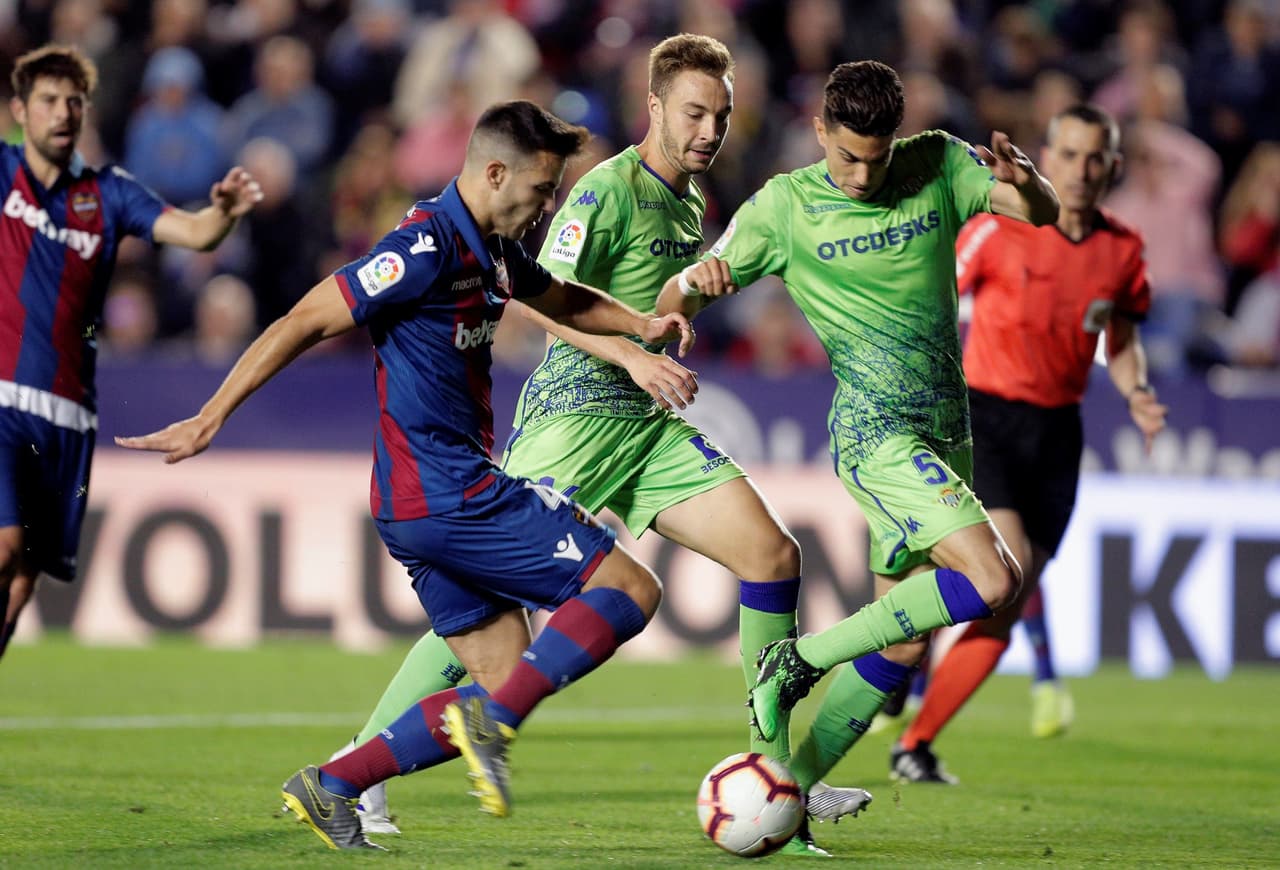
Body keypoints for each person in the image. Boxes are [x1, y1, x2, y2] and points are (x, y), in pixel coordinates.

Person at [327, 34, 871, 857]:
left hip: (645, 429)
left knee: (772, 556)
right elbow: (533, 297)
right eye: (693, 112)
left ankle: (774, 770)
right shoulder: (603, 191)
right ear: (652, 106)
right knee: (482, 613)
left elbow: (659, 297)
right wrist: (629, 353)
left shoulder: (693, 202)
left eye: (720, 116)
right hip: (572, 421)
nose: (708, 130)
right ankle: (357, 770)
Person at [118, 100, 695, 852]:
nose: (547, 206)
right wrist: (210, 415)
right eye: (541, 190)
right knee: (630, 589)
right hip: (451, 490)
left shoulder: (492, 247)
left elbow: (565, 299)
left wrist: (641, 325)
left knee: (497, 674)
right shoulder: (421, 247)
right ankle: (500, 721)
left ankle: (333, 784)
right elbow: (302, 320)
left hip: (417, 500)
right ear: (494, 173)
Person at [655, 59, 1059, 800]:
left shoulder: (937, 161)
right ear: (818, 131)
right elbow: (680, 291)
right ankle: (800, 659)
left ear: (897, 140)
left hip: (946, 427)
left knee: (903, 642)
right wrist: (694, 287)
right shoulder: (784, 206)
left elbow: (1043, 215)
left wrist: (1029, 181)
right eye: (846, 156)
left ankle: (785, 800)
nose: (863, 176)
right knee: (995, 577)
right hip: (876, 432)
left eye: (876, 159)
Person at [888, 104, 1168, 781]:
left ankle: (915, 743)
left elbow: (1120, 342)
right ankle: (896, 647)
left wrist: (1134, 390)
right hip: (985, 419)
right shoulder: (998, 229)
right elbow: (933, 289)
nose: (1079, 171)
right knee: (1003, 570)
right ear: (1051, 156)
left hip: (1057, 435)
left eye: (1094, 158)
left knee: (1005, 605)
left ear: (1114, 168)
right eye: (1067, 155)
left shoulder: (1123, 251)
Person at [0, 44, 262, 662]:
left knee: (20, 582)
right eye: (48, 101)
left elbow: (194, 233)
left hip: (69, 415)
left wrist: (221, 214)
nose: (63, 113)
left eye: (74, 101)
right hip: (4, 399)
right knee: (5, 545)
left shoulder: (107, 193)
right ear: (19, 110)